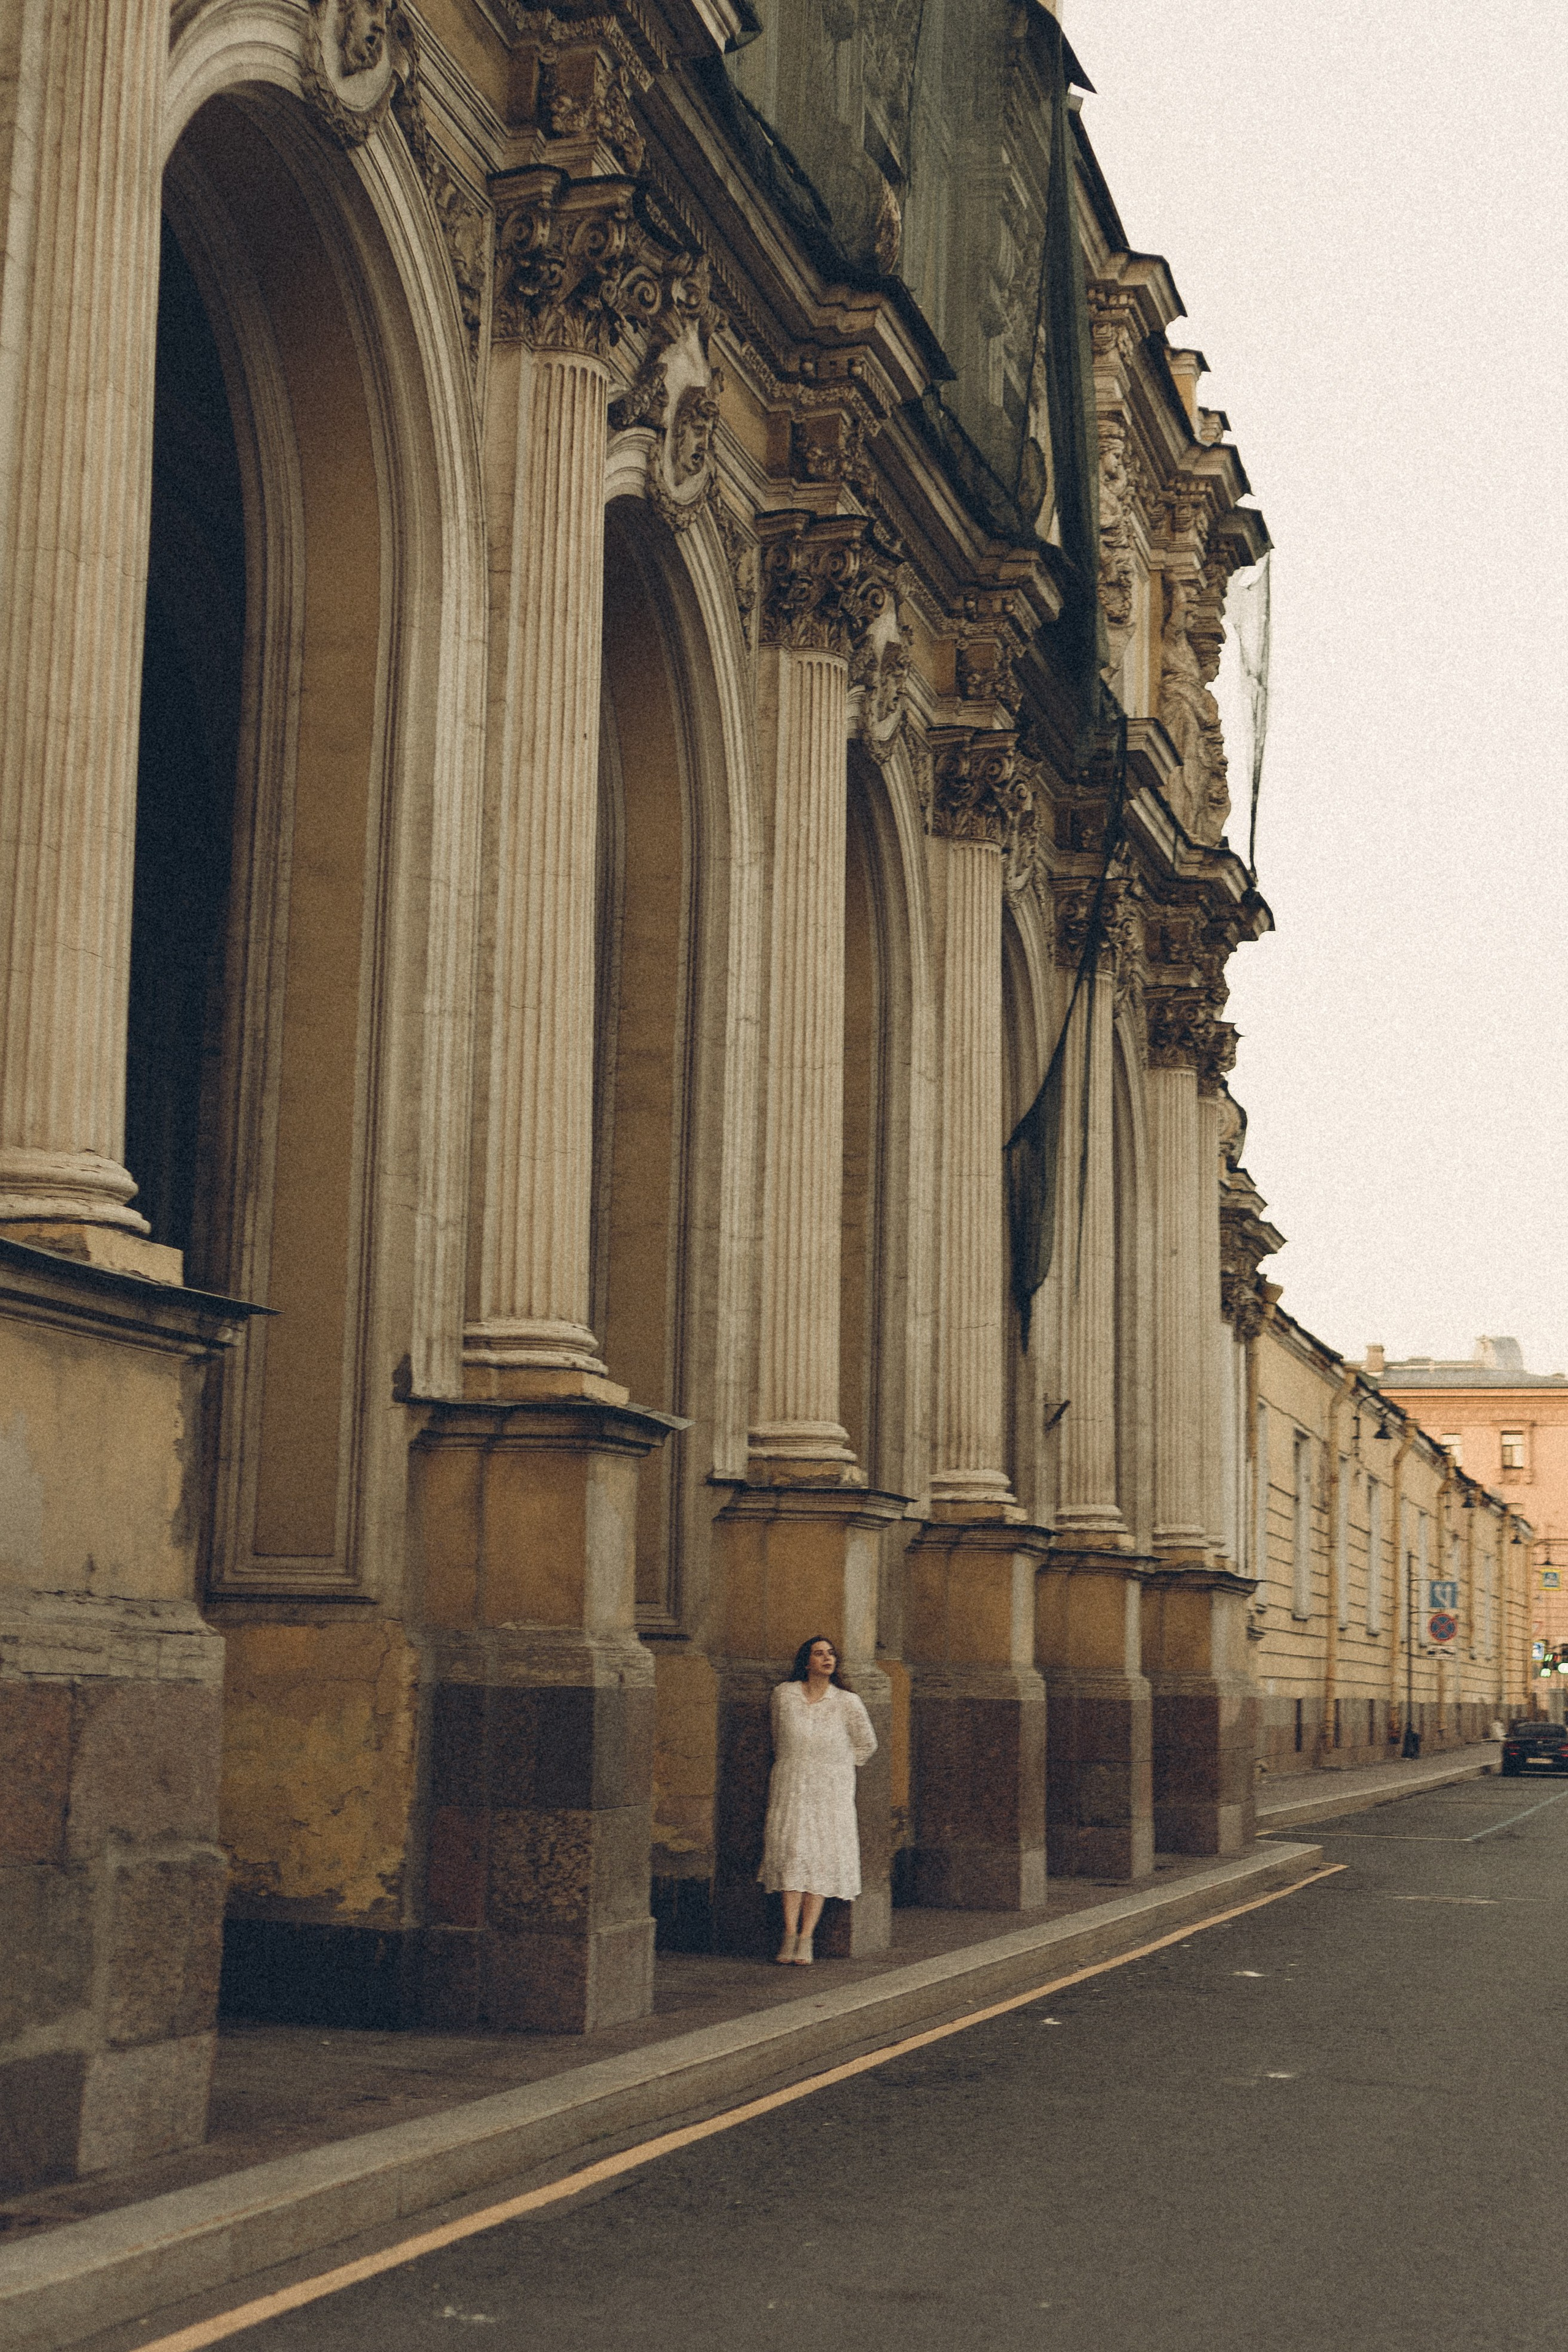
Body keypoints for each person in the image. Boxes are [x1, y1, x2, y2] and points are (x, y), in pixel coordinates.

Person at [758, 1634, 877, 1965]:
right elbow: (778, 1737)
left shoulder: (847, 1702)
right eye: (819, 1653)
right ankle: (788, 1933)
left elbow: (867, 1745)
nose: (827, 1659)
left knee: (822, 1856)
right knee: (792, 1852)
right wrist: (800, 1766)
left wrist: (834, 1766)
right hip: (792, 1785)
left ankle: (807, 1937)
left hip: (830, 1791)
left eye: (831, 1654)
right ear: (806, 1661)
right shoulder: (784, 1696)